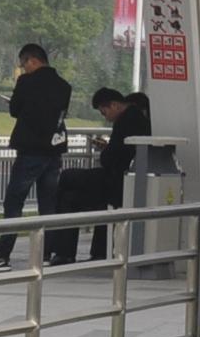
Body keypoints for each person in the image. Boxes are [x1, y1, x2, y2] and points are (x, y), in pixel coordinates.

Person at [0, 43, 73, 270]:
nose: (23, 69)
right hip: (54, 150)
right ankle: (45, 254)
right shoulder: (64, 86)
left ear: (32, 60)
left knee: (14, 202)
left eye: (24, 64)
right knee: (48, 204)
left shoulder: (26, 82)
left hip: (31, 150)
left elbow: (15, 110)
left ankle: (2, 256)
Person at [48, 85, 152, 266]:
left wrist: (106, 151)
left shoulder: (127, 119)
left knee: (66, 178)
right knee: (70, 197)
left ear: (114, 105)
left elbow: (111, 158)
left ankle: (63, 252)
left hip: (117, 180)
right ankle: (94, 252)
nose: (106, 117)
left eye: (104, 112)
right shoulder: (136, 118)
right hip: (123, 179)